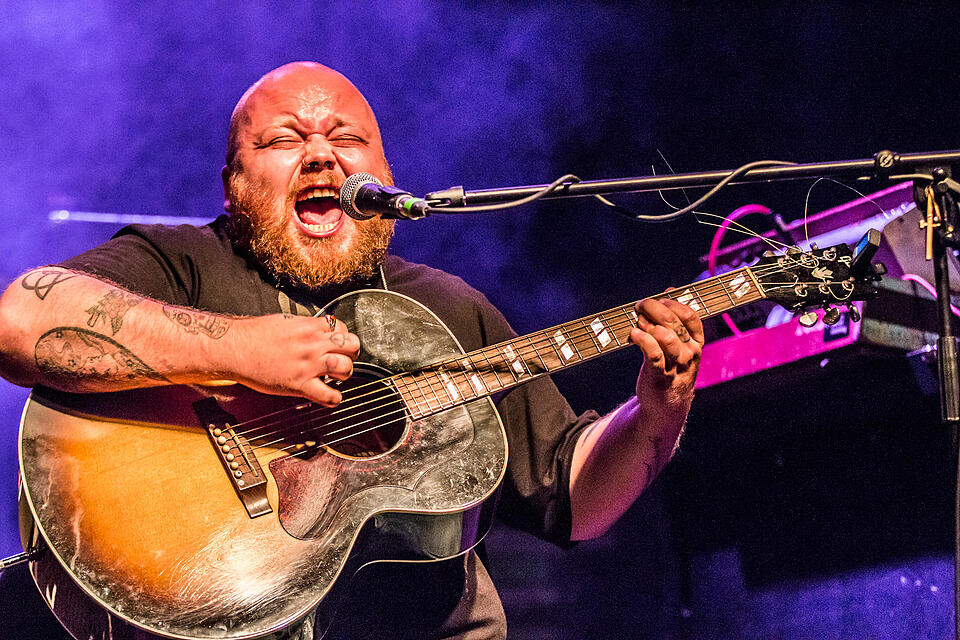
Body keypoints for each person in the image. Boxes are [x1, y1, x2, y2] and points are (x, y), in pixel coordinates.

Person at [0, 62, 703, 639]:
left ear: (384, 175)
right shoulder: (180, 263)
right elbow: (21, 322)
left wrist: (657, 414)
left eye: (347, 138)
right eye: (282, 140)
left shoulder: (449, 307)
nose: (320, 153)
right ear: (234, 182)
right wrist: (240, 351)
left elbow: (577, 498)